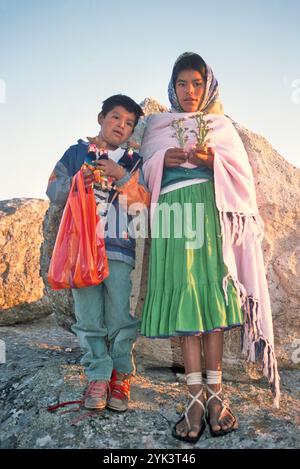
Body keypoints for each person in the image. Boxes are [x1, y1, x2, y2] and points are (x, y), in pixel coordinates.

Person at [140, 52, 280, 442]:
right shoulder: (157, 125)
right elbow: (144, 168)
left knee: (214, 296)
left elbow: (241, 175)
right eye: (182, 84)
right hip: (172, 215)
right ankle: (194, 397)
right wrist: (163, 159)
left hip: (209, 212)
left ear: (209, 86)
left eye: (197, 83)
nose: (189, 91)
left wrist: (213, 159)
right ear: (173, 87)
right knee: (186, 296)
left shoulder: (221, 126)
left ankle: (216, 394)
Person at [46, 94, 150, 413]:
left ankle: (120, 374)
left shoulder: (134, 162)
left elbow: (144, 202)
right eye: (116, 117)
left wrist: (123, 177)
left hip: (119, 248)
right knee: (88, 315)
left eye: (129, 122)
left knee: (121, 315)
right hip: (80, 249)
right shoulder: (77, 152)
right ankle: (97, 374)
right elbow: (53, 187)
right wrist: (80, 179)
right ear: (101, 118)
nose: (122, 125)